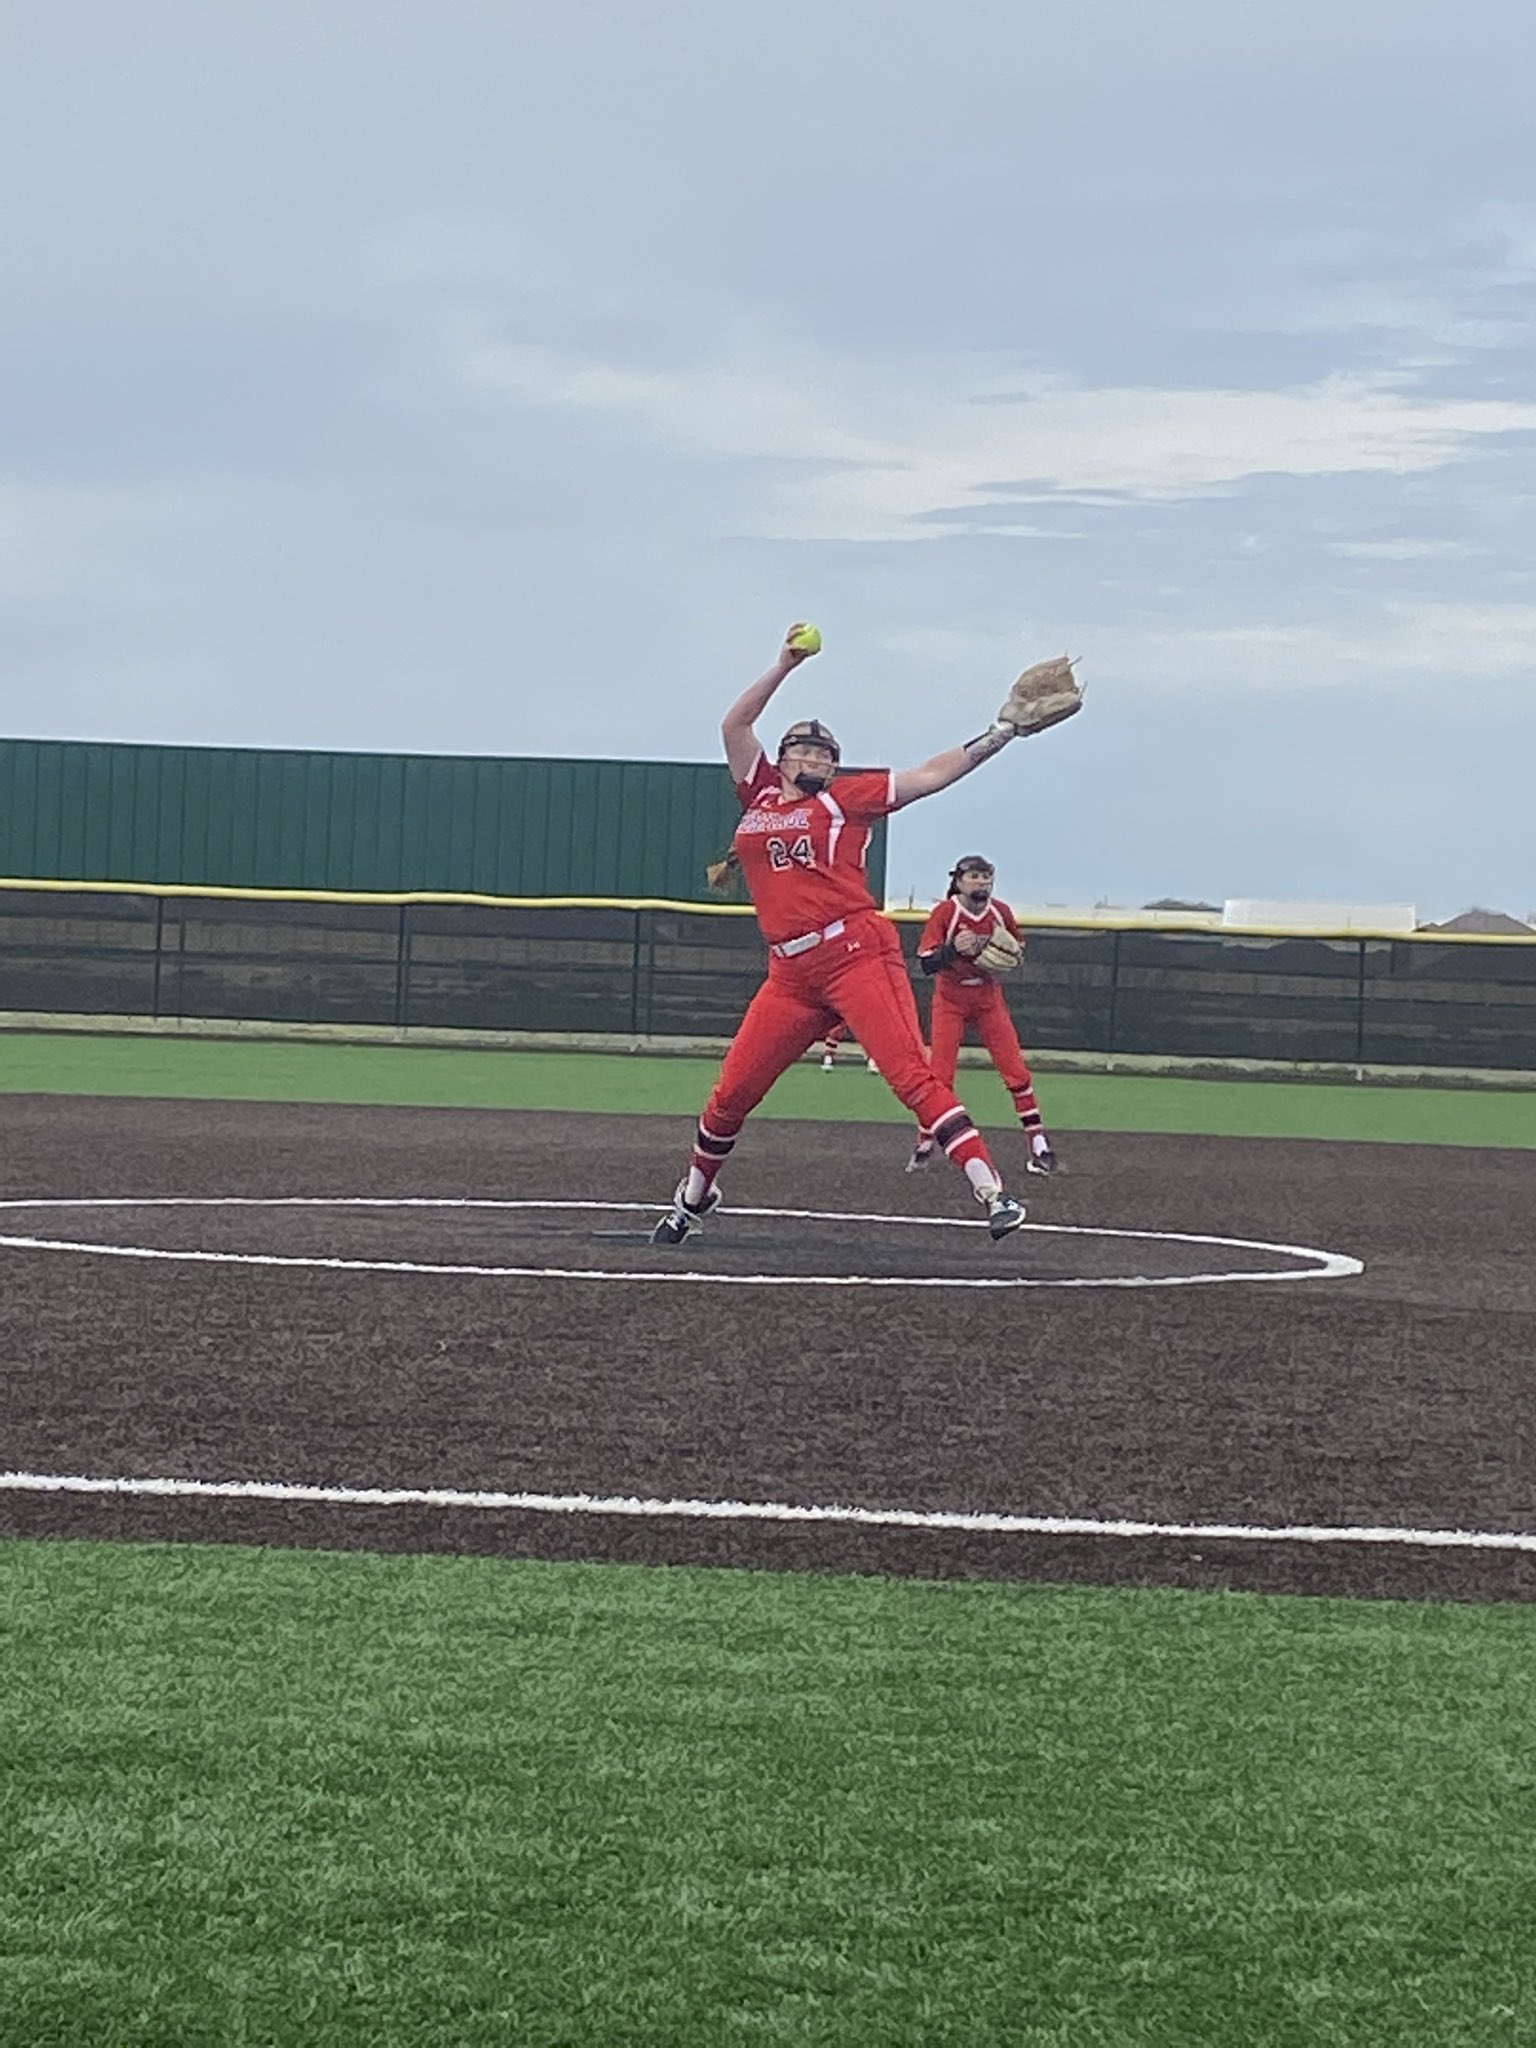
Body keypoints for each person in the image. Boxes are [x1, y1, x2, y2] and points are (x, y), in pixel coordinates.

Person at [650, 624, 1072, 1247]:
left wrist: (1000, 732)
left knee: (909, 1075)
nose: (816, 758)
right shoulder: (760, 793)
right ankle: (693, 1197)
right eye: (804, 750)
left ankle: (993, 1192)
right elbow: (734, 727)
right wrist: (784, 665)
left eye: (825, 753)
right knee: (732, 1091)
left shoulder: (847, 800)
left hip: (853, 954)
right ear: (785, 758)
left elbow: (930, 776)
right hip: (789, 975)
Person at [906, 856, 1059, 1177]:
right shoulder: (946, 913)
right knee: (941, 1076)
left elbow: (1017, 950)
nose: (982, 883)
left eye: (986, 877)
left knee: (1016, 1071)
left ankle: (1039, 1145)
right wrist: (953, 951)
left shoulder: (1000, 912)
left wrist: (998, 947)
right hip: (950, 998)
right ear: (959, 881)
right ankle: (924, 1144)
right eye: (974, 876)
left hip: (988, 997)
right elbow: (925, 963)